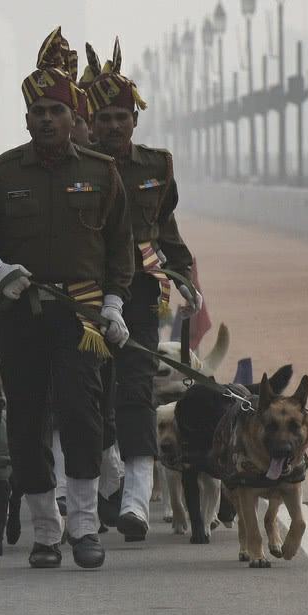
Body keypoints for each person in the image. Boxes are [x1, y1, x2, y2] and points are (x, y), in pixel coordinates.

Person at [0, 27, 134, 570]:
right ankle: (45, 531)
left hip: (81, 319)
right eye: (38, 110)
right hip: (20, 315)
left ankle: (82, 526)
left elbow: (119, 248)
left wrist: (116, 303)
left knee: (83, 417)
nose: (47, 119)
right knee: (28, 423)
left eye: (56, 109)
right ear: (26, 117)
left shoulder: (101, 174)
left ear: (72, 114)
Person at [87, 39, 199, 542]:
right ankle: (108, 474)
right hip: (83, 293)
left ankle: (136, 494)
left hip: (139, 290)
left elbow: (164, 226)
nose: (114, 125)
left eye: (122, 116)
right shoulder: (74, 168)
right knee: (90, 391)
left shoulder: (157, 166)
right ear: (87, 120)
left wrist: (184, 274)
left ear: (136, 118)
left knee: (135, 385)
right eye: (104, 116)